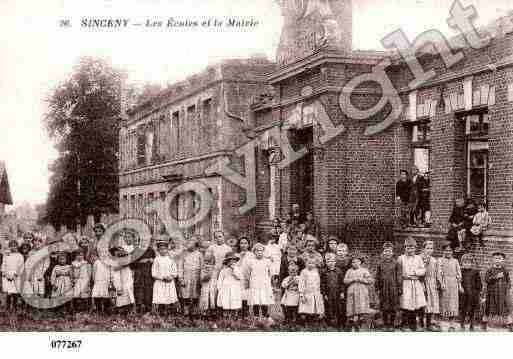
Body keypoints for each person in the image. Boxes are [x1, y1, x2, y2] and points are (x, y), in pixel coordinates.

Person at [398, 237, 426, 331]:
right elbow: (398, 272)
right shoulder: (401, 258)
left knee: (415, 304)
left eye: (412, 247)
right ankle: (405, 324)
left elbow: (423, 270)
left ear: (415, 248)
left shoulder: (418, 258)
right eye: (408, 247)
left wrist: (415, 272)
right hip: (405, 283)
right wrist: (405, 276)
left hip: (415, 283)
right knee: (406, 304)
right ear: (405, 248)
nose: (410, 249)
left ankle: (414, 324)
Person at [375, 242, 401, 331]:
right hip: (383, 288)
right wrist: (377, 287)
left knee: (393, 306)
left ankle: (392, 324)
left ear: (392, 252)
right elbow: (377, 276)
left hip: (393, 288)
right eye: (386, 251)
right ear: (383, 252)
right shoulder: (380, 263)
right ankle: (385, 324)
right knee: (384, 306)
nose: (387, 253)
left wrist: (399, 288)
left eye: (389, 251)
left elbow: (399, 276)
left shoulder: (396, 263)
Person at [483, 252, 511, 331]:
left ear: (503, 260)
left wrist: (507, 287)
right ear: (492, 260)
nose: (497, 260)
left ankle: (510, 324)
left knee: (505, 308)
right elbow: (486, 280)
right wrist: (495, 277)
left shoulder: (505, 270)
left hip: (502, 293)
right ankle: (484, 323)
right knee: (489, 308)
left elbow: (508, 281)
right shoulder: (490, 270)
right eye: (496, 258)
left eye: (500, 258)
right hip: (492, 293)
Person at [245, 243, 274, 319]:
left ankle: (265, 316)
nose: (259, 252)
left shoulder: (267, 261)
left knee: (264, 298)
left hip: (264, 283)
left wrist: (270, 282)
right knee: (255, 299)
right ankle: (256, 316)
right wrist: (249, 281)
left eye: (261, 251)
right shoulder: (251, 261)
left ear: (264, 252)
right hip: (255, 283)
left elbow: (271, 273)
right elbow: (248, 273)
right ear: (254, 252)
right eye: (257, 251)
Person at [152, 240, 178, 317]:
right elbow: (153, 273)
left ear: (167, 249)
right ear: (158, 250)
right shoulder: (156, 259)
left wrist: (171, 277)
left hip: (169, 282)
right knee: (160, 297)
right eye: (161, 249)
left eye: (164, 249)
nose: (162, 251)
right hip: (160, 282)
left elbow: (175, 271)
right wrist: (162, 278)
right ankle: (160, 312)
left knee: (169, 297)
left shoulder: (170, 259)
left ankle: (170, 312)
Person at [439, 245, 462, 331]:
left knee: (453, 303)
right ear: (443, 251)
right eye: (446, 250)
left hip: (453, 284)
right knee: (443, 303)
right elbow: (439, 272)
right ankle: (440, 323)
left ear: (452, 252)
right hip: (445, 283)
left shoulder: (455, 261)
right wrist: (442, 283)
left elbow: (458, 274)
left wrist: (459, 285)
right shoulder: (440, 260)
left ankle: (452, 324)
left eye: (450, 250)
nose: (448, 252)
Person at [179, 238, 203, 318]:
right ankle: (186, 310)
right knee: (186, 293)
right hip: (186, 275)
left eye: (191, 243)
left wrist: (201, 278)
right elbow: (180, 267)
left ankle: (195, 311)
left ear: (195, 245)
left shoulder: (199, 254)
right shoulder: (184, 254)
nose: (189, 245)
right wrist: (181, 278)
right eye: (188, 243)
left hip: (196, 276)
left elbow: (202, 266)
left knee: (196, 294)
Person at [421, 240, 442, 331]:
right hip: (423, 282)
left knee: (431, 303)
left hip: (432, 283)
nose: (429, 250)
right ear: (424, 249)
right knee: (423, 303)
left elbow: (437, 272)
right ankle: (421, 322)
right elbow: (420, 271)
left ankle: (429, 323)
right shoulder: (419, 258)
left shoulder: (434, 260)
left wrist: (439, 282)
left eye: (431, 248)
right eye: (427, 248)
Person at [130, 243, 156, 314]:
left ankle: (148, 309)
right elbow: (131, 264)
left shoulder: (151, 251)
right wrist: (141, 261)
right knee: (139, 290)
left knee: (148, 291)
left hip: (149, 274)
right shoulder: (136, 251)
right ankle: (139, 308)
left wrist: (152, 260)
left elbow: (156, 263)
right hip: (139, 274)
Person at [321, 253, 345, 328]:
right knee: (328, 307)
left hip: (337, 292)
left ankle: (339, 322)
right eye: (328, 261)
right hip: (328, 293)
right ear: (326, 262)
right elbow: (322, 283)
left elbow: (342, 283)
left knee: (338, 307)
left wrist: (342, 292)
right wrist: (324, 294)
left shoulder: (339, 271)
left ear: (335, 262)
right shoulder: (324, 272)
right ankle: (328, 322)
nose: (330, 263)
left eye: (332, 261)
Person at [459, 254, 482, 331]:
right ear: (462, 263)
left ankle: (472, 324)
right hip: (463, 294)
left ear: (471, 263)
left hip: (473, 295)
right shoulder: (460, 271)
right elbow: (459, 282)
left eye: (469, 263)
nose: (467, 264)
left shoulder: (475, 272)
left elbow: (479, 284)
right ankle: (462, 324)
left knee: (472, 310)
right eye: (465, 262)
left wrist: (477, 292)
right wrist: (460, 288)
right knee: (463, 309)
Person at [298, 257, 324, 326]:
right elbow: (301, 283)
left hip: (315, 292)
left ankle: (313, 321)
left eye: (312, 263)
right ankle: (304, 321)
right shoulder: (303, 272)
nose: (311, 265)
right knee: (306, 308)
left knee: (314, 308)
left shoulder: (316, 271)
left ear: (315, 264)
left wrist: (319, 292)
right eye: (309, 263)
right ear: (306, 263)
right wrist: (301, 294)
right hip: (307, 293)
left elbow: (318, 282)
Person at [217, 251, 242, 319]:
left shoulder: (237, 269)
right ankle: (226, 317)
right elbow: (220, 280)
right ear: (227, 261)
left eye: (233, 260)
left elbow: (239, 277)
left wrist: (234, 269)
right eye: (230, 260)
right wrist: (220, 289)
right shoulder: (223, 270)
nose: (232, 262)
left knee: (234, 303)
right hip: (225, 289)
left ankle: (234, 317)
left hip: (234, 288)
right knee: (226, 302)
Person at [1, 240, 24, 312]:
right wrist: (5, 273)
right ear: (9, 247)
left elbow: (21, 266)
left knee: (15, 292)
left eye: (14, 246)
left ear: (17, 246)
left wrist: (16, 274)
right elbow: (3, 264)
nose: (13, 247)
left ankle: (15, 307)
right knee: (8, 293)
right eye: (11, 246)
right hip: (7, 275)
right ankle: (7, 307)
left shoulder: (20, 255)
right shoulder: (7, 255)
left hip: (16, 276)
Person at [111, 247, 135, 315]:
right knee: (121, 295)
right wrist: (119, 287)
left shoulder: (127, 265)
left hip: (128, 281)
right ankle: (120, 310)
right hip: (120, 282)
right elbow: (116, 271)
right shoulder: (115, 263)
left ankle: (130, 309)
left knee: (129, 294)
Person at [236, 236, 254, 319]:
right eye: (241, 243)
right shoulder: (236, 255)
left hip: (248, 278)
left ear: (248, 245)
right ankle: (239, 313)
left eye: (245, 243)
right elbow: (235, 266)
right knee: (238, 296)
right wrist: (241, 257)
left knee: (246, 296)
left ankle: (246, 314)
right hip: (238, 279)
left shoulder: (251, 255)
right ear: (239, 245)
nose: (243, 245)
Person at [199, 248, 217, 319]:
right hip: (205, 286)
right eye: (206, 262)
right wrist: (207, 275)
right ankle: (204, 313)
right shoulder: (203, 269)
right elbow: (202, 278)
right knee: (205, 299)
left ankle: (213, 313)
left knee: (212, 299)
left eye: (210, 262)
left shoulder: (215, 269)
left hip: (213, 287)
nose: (208, 264)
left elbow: (216, 278)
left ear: (213, 262)